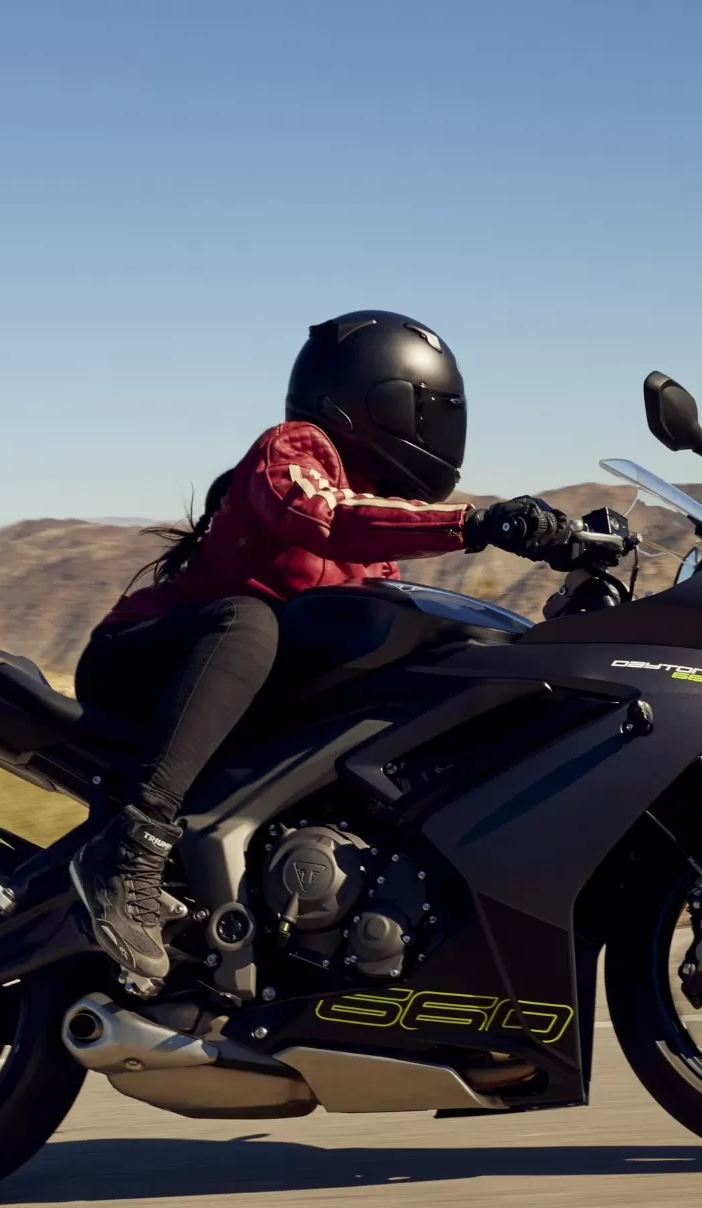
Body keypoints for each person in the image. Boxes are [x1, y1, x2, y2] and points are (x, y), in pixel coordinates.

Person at [70, 309, 575, 989]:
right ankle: (129, 848)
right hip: (145, 662)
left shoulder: (377, 545)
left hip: (237, 697)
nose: (439, 427)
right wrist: (480, 522)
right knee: (251, 621)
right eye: (428, 409)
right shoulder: (293, 451)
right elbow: (327, 518)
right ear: (380, 400)